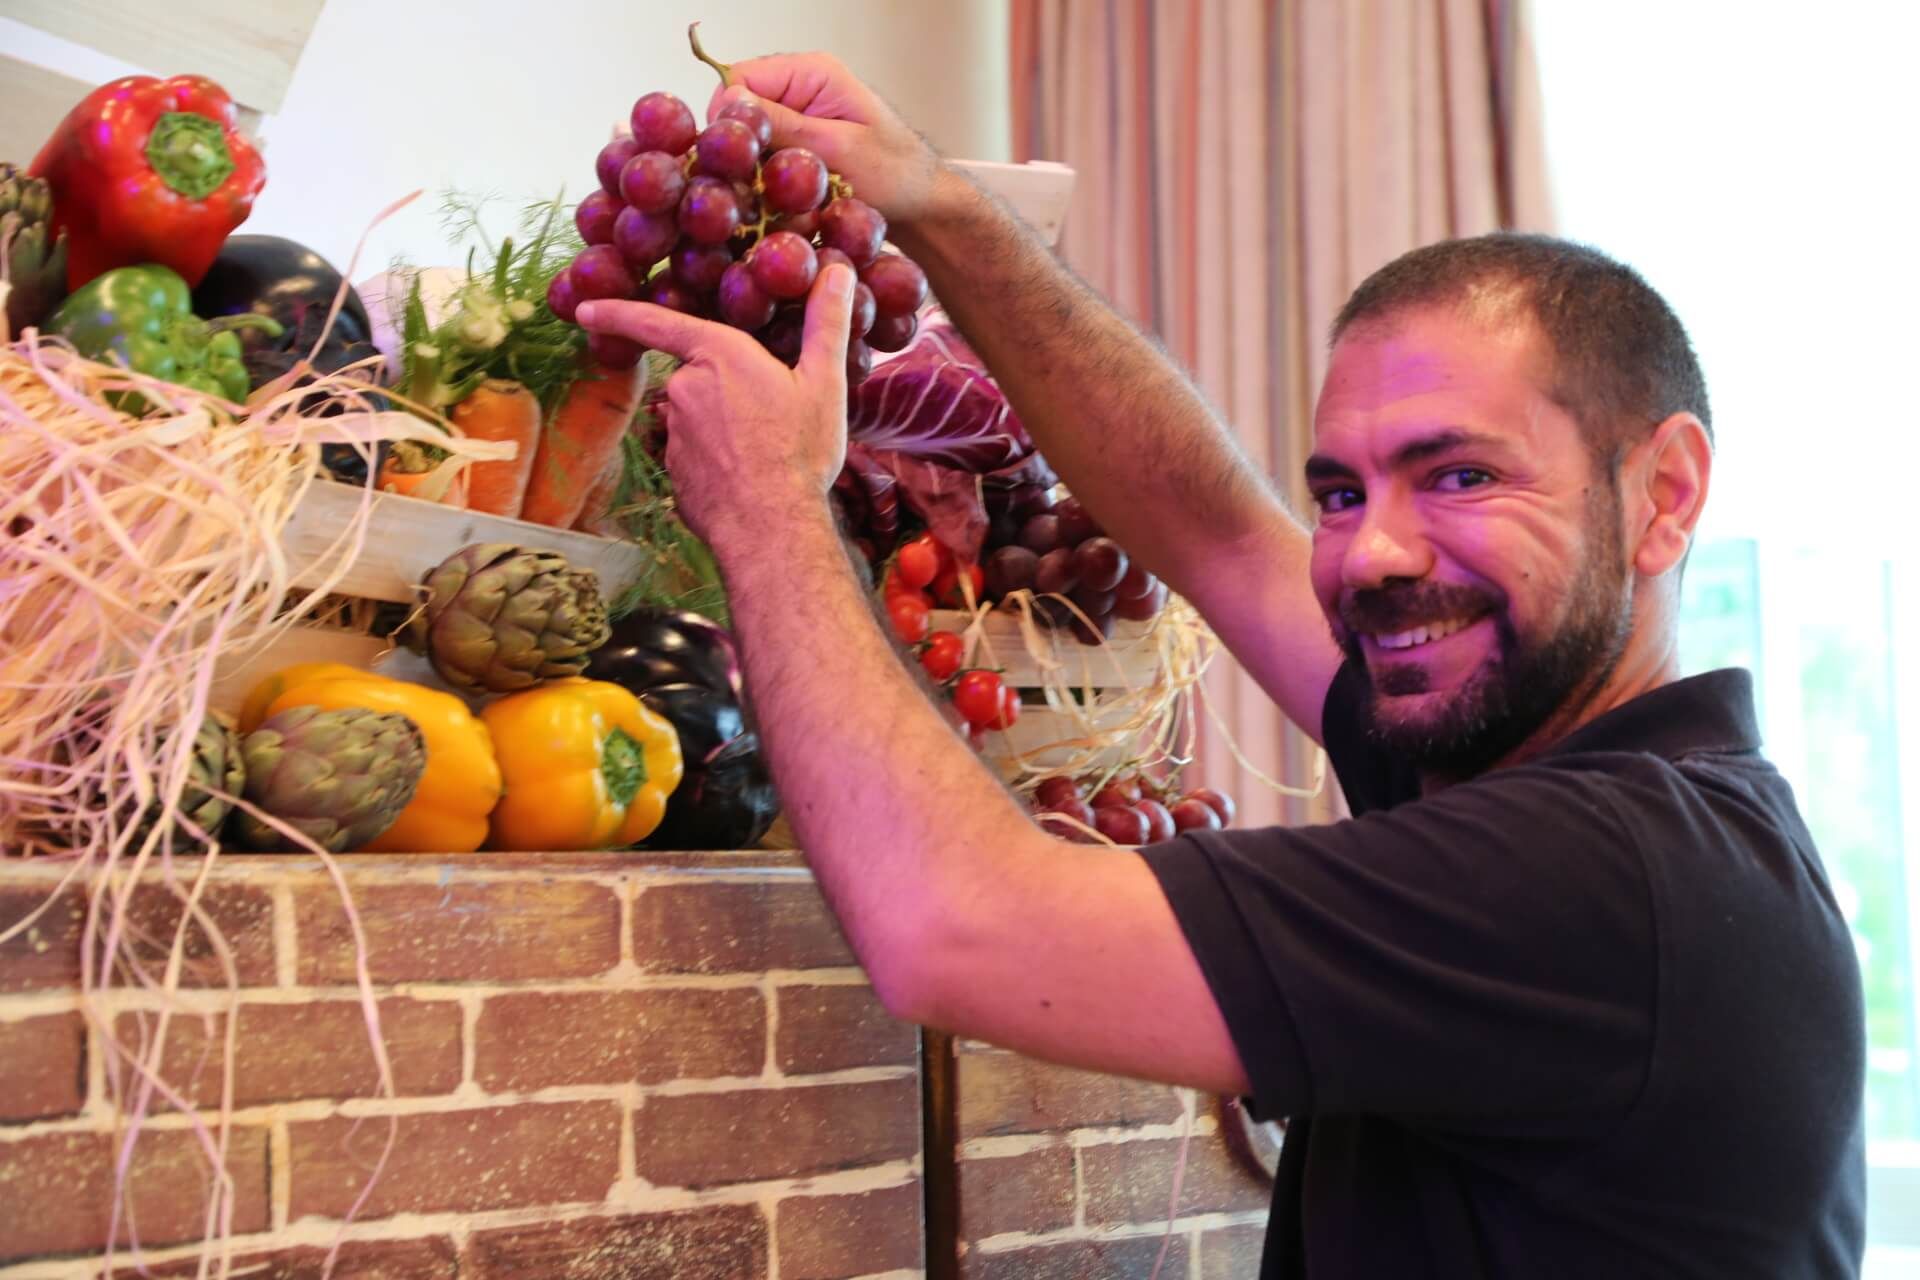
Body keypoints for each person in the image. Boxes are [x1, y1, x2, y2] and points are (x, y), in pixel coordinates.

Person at [576, 53, 1866, 1280]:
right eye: (1344, 491)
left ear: (1666, 493)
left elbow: (954, 925)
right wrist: (931, 196)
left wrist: (768, 509)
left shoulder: (1606, 877)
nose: (1371, 555)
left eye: (1461, 474)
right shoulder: (1561, 759)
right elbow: (1218, 533)